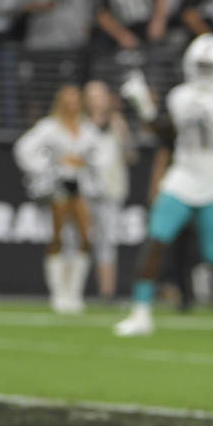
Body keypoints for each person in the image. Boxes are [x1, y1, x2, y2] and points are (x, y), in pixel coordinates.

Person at [113, 33, 213, 336]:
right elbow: (167, 134)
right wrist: (143, 106)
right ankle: (141, 313)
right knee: (156, 240)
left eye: (210, 66)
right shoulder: (180, 95)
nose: (205, 72)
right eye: (200, 66)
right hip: (183, 174)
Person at [13, 84, 99, 313]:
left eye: (75, 99)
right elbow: (24, 149)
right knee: (58, 236)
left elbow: (99, 157)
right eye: (67, 100)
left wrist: (85, 164)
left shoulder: (88, 128)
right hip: (57, 184)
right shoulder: (48, 127)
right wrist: (52, 165)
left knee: (85, 237)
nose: (72, 104)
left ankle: (75, 292)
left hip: (79, 185)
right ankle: (59, 293)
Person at [84, 80, 132, 303]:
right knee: (80, 239)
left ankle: (107, 293)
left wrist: (122, 132)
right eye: (92, 96)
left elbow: (130, 157)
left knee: (107, 242)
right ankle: (74, 291)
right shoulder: (80, 123)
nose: (97, 101)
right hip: (83, 190)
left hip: (110, 191)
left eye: (101, 95)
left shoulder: (117, 124)